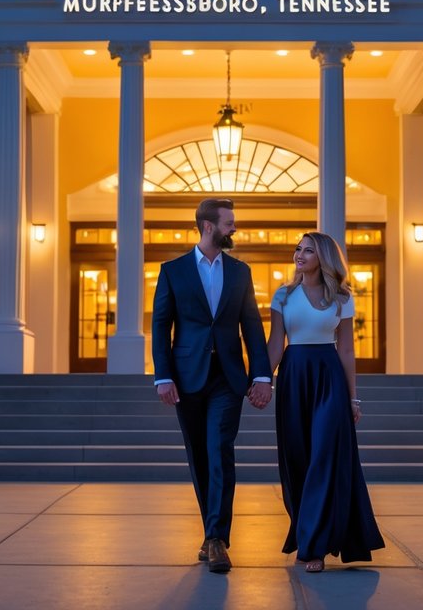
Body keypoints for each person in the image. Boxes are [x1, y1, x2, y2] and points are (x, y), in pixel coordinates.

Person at [151, 197, 274, 574]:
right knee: (199, 456)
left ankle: (218, 538)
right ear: (208, 226)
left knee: (219, 449)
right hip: (186, 378)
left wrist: (262, 375)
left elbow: (252, 324)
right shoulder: (172, 270)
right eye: (228, 223)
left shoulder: (240, 272)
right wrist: (163, 375)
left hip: (228, 378)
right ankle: (211, 534)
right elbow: (161, 325)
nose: (233, 228)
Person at [265, 231, 384, 572]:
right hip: (293, 376)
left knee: (324, 457)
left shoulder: (342, 297)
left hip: (329, 377)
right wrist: (258, 380)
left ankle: (314, 547)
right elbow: (276, 344)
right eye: (297, 249)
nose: (299, 255)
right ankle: (307, 531)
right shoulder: (284, 295)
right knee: (299, 458)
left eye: (308, 251)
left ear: (324, 258)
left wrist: (353, 398)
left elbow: (346, 350)